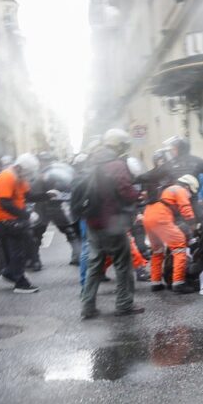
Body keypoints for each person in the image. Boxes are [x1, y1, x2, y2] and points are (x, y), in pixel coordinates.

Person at [79, 128, 144, 319]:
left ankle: (87, 306)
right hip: (111, 221)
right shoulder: (116, 165)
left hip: (92, 220)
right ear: (119, 145)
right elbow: (125, 190)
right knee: (123, 264)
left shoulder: (91, 160)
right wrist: (138, 195)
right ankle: (124, 304)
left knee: (95, 264)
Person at [0, 153, 49, 293]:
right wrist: (27, 214)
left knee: (21, 247)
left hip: (10, 218)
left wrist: (48, 195)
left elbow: (28, 196)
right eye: (28, 172)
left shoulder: (19, 177)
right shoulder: (7, 177)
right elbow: (4, 202)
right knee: (19, 249)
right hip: (1, 218)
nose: (29, 175)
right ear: (20, 168)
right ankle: (20, 282)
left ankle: (10, 273)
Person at [143, 175, 197, 294]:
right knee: (179, 247)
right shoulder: (179, 189)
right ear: (187, 186)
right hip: (160, 217)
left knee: (157, 251)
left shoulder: (165, 189)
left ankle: (156, 283)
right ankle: (178, 283)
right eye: (191, 192)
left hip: (148, 216)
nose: (190, 195)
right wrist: (193, 225)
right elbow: (185, 208)